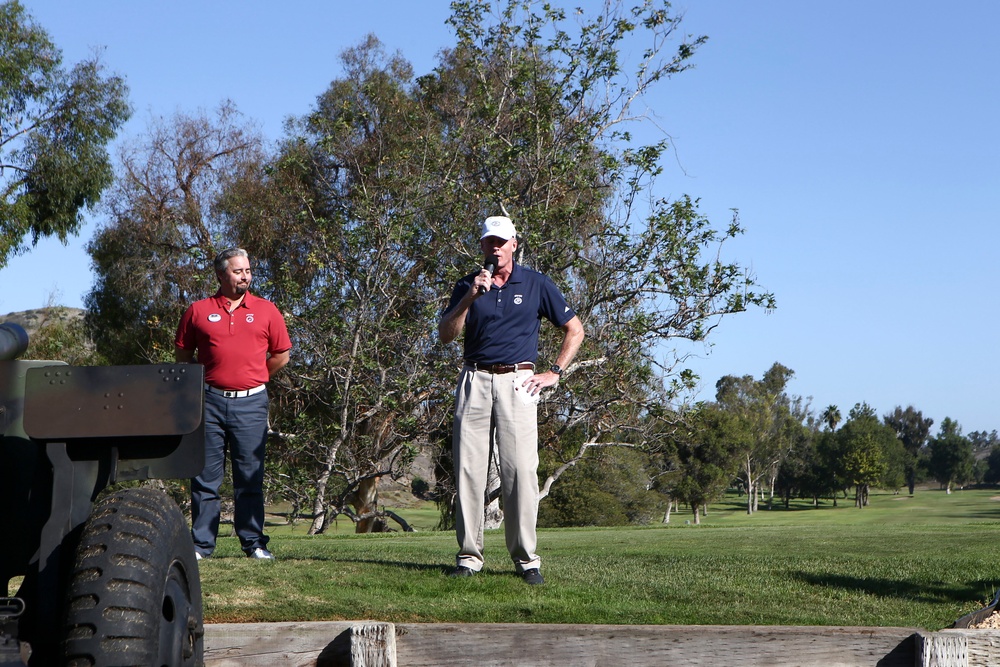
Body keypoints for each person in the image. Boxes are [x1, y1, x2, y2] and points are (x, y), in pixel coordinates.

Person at [438, 215, 584, 585]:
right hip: (474, 378)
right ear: (483, 245)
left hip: (519, 381)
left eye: (502, 242)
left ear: (515, 244)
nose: (496, 248)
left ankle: (526, 559)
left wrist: (555, 372)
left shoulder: (535, 283)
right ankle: (469, 557)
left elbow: (575, 329)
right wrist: (471, 296)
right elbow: (446, 334)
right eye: (490, 242)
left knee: (520, 471)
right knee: (469, 471)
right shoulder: (467, 284)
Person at [175, 248, 292, 560]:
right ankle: (201, 546)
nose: (246, 276)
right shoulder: (198, 311)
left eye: (248, 271)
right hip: (209, 403)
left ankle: (254, 543)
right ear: (221, 275)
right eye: (239, 271)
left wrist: (253, 378)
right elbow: (184, 357)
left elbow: (281, 355)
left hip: (251, 405)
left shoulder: (267, 310)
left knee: (249, 477)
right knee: (204, 478)